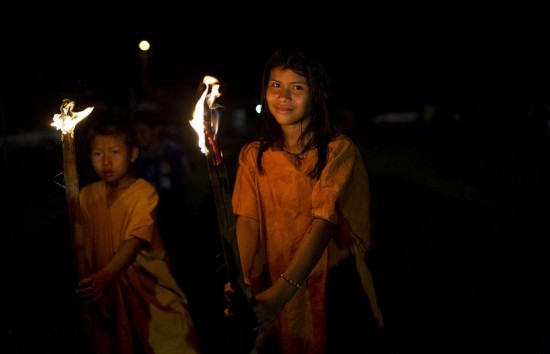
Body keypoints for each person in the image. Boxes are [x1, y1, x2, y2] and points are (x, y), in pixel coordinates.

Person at [226, 44, 387, 354]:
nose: (284, 97)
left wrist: (283, 292)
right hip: (272, 277)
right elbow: (247, 220)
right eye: (276, 85)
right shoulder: (253, 156)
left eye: (297, 87)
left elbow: (324, 221)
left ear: (317, 94)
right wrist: (243, 280)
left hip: (331, 282)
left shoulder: (338, 151)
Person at [75, 114, 200, 354]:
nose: (107, 162)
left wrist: (106, 274)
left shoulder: (143, 192)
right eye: (98, 154)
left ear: (132, 154)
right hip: (107, 294)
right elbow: (85, 246)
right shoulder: (86, 196)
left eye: (115, 152)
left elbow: (134, 240)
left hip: (146, 289)